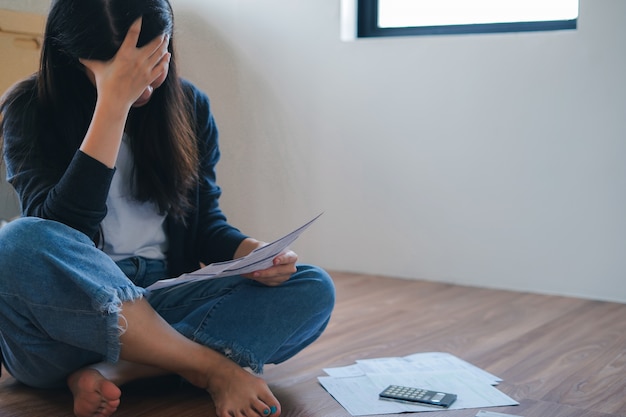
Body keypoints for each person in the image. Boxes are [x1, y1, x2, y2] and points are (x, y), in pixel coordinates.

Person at [0, 1, 335, 416]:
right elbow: (60, 235)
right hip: (66, 321)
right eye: (118, 69)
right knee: (15, 241)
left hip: (157, 306)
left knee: (312, 287)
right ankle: (209, 367)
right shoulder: (27, 107)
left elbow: (205, 226)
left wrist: (251, 253)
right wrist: (113, 104)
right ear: (71, 58)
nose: (141, 83)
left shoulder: (188, 105)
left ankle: (119, 371)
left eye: (151, 62)